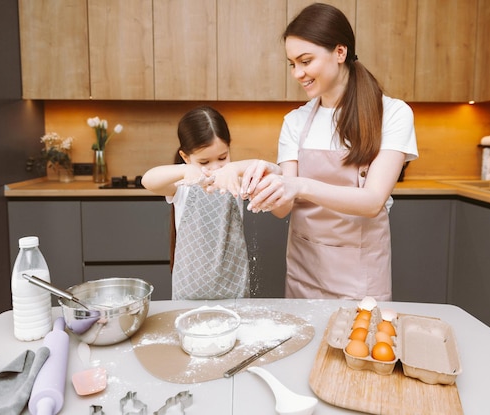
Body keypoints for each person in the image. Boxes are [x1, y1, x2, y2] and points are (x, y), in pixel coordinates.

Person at [208, 3, 418, 300]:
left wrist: (299, 185)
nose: (298, 73)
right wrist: (261, 179)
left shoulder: (392, 114)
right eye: (292, 64)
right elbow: (283, 208)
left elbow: (372, 201)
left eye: (306, 61)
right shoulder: (295, 121)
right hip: (304, 272)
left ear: (340, 53)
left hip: (360, 276)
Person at [141, 106, 256, 300]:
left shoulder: (234, 179)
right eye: (204, 162)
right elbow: (148, 180)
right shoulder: (181, 187)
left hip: (233, 292)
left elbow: (272, 172)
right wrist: (184, 171)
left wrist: (234, 167)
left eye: (222, 157)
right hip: (189, 294)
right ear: (186, 157)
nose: (215, 168)